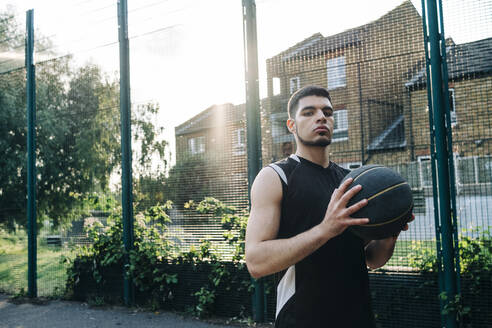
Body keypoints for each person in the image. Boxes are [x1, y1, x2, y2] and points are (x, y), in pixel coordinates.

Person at [245, 85, 413, 327]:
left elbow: (370, 259)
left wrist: (390, 232)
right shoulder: (276, 177)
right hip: (302, 319)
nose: (321, 117)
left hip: (358, 318)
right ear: (292, 126)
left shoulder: (352, 181)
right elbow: (256, 262)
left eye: (327, 112)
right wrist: (326, 229)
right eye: (309, 112)